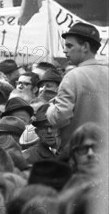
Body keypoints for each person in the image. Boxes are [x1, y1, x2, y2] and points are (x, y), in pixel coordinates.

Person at [46, 22, 109, 153]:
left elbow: (60, 117)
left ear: (85, 47)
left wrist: (50, 109)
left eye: (69, 46)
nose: (64, 50)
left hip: (78, 155)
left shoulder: (72, 77)